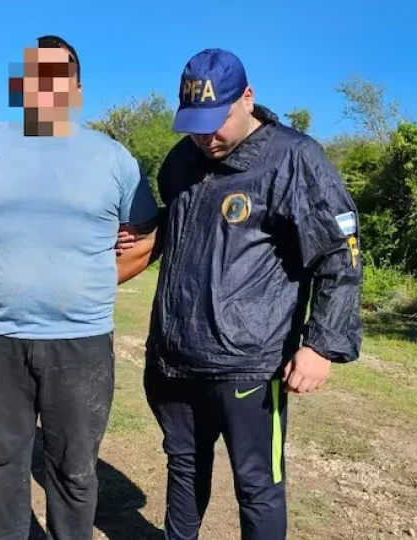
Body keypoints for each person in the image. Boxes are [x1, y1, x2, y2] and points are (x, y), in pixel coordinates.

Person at [0, 35, 160, 540]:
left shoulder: (113, 159)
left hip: (81, 342)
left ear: (77, 88)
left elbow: (145, 237)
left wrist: (93, 282)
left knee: (74, 471)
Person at [140, 48, 364, 540]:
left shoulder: (293, 158)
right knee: (183, 469)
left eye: (216, 122)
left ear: (247, 98)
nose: (205, 137)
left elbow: (340, 253)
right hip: (175, 361)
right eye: (194, 125)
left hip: (250, 365)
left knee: (257, 484)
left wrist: (322, 344)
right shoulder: (180, 161)